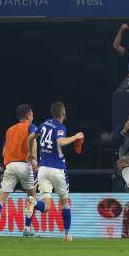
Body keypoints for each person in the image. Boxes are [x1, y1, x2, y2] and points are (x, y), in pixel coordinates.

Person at [28, 101, 84, 242]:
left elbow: (30, 137)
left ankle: (33, 203)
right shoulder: (60, 127)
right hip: (57, 169)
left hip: (43, 169)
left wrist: (31, 153)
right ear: (63, 113)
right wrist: (76, 136)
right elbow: (60, 142)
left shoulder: (45, 124)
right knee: (65, 202)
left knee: (46, 206)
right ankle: (66, 234)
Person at [0, 104, 40, 238]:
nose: (32, 117)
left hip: (9, 165)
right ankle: (27, 228)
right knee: (31, 196)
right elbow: (33, 139)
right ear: (28, 116)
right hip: (24, 164)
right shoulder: (31, 127)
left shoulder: (9, 130)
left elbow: (4, 151)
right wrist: (34, 158)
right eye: (32, 115)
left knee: (1, 198)